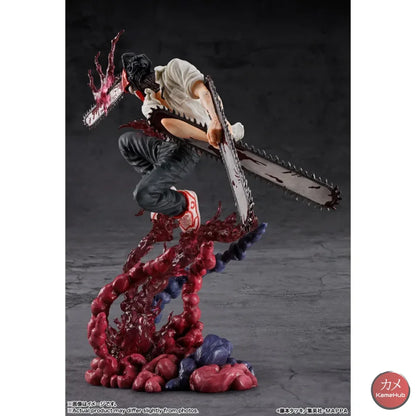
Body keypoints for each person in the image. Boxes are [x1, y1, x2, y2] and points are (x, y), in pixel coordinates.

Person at [118, 53, 244, 232]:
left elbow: (203, 91)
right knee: (126, 142)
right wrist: (208, 137)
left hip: (187, 151)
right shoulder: (149, 105)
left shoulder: (174, 69)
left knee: (144, 195)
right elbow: (172, 127)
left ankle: (184, 205)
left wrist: (217, 121)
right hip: (172, 143)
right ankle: (166, 195)